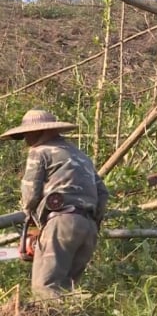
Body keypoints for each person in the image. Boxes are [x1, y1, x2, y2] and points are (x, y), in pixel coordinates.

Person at [0, 109, 109, 299]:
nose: (26, 140)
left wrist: (33, 224)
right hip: (89, 226)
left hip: (61, 221)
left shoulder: (40, 151)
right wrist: (92, 222)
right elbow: (103, 193)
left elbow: (30, 193)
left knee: (45, 288)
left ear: (38, 132)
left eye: (27, 135)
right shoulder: (81, 155)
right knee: (68, 291)